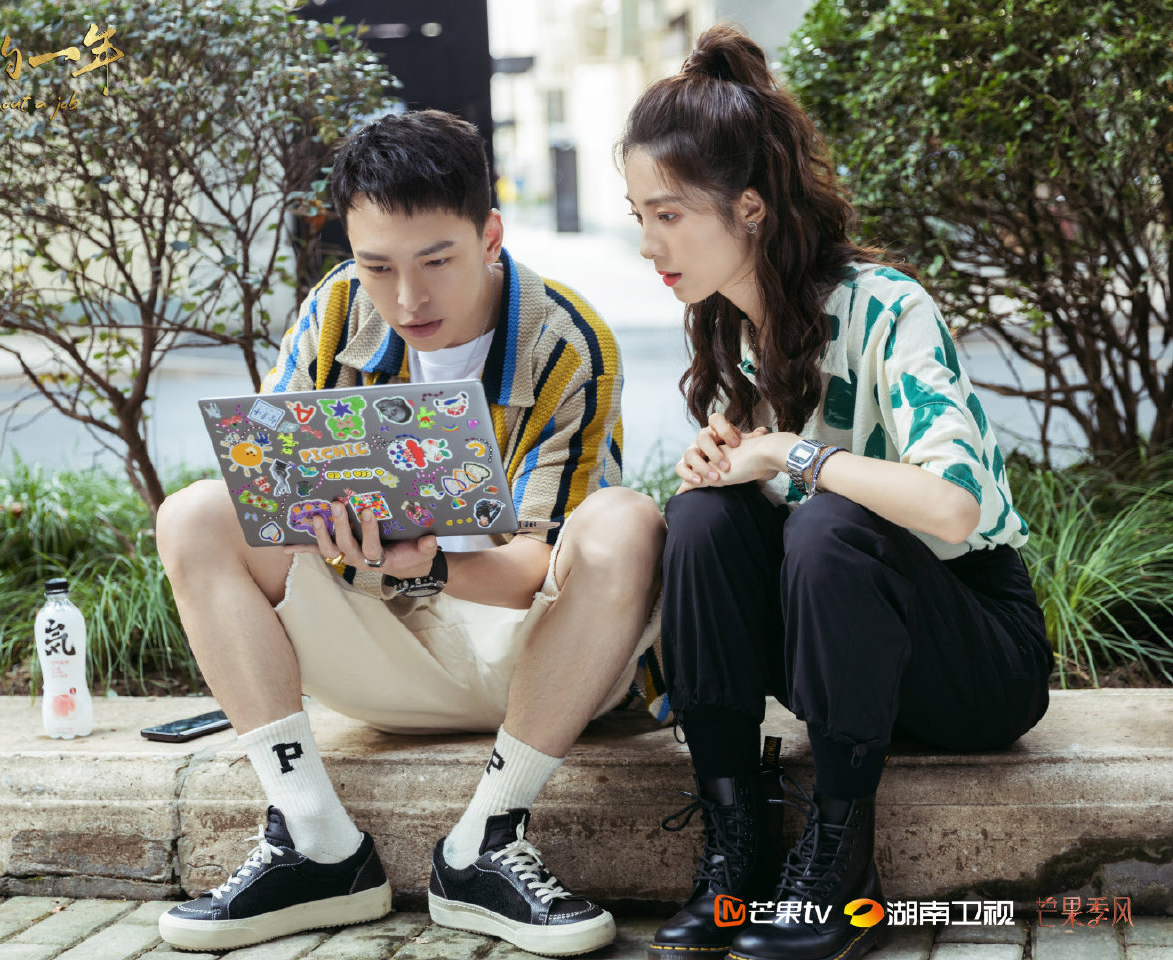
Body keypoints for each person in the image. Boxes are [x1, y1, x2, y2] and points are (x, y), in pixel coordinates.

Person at [155, 109, 664, 956]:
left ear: (490, 235)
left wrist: (428, 566)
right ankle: (314, 841)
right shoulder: (336, 311)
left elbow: (541, 564)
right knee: (195, 514)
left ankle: (486, 846)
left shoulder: (566, 344)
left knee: (627, 522)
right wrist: (335, 534)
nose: (407, 299)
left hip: (534, 657)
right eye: (377, 266)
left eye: (436, 261)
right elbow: (268, 493)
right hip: (376, 647)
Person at [620, 25, 1053, 960]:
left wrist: (792, 456)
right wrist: (732, 463)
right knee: (701, 518)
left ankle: (841, 865)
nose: (649, 242)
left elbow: (954, 507)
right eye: (638, 215)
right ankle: (737, 845)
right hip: (849, 658)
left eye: (668, 214)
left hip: (974, 659)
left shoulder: (889, 308)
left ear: (748, 208)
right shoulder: (736, 332)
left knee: (829, 527)